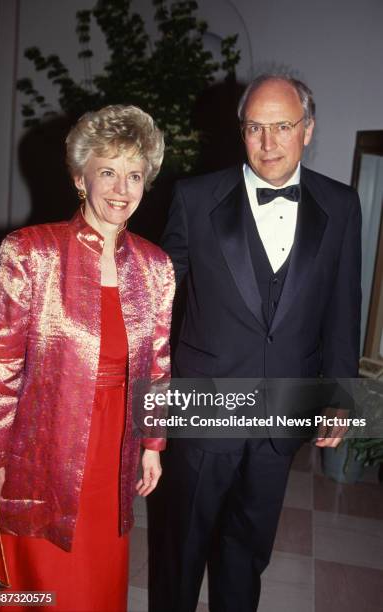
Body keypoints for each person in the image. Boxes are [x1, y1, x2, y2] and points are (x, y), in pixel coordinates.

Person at [150, 74, 362, 612]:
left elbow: (342, 306)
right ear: (241, 131)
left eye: (283, 127)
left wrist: (340, 396)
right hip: (204, 408)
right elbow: (157, 303)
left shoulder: (341, 205)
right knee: (181, 550)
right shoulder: (195, 199)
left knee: (247, 550)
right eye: (255, 128)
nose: (268, 143)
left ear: (308, 130)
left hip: (282, 413)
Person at [0, 105, 175, 611]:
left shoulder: (155, 265)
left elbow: (157, 362)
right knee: (35, 582)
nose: (121, 188)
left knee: (96, 582)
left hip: (115, 448)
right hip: (40, 445)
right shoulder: (30, 252)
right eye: (107, 171)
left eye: (134, 175)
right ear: (79, 177)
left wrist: (153, 443)